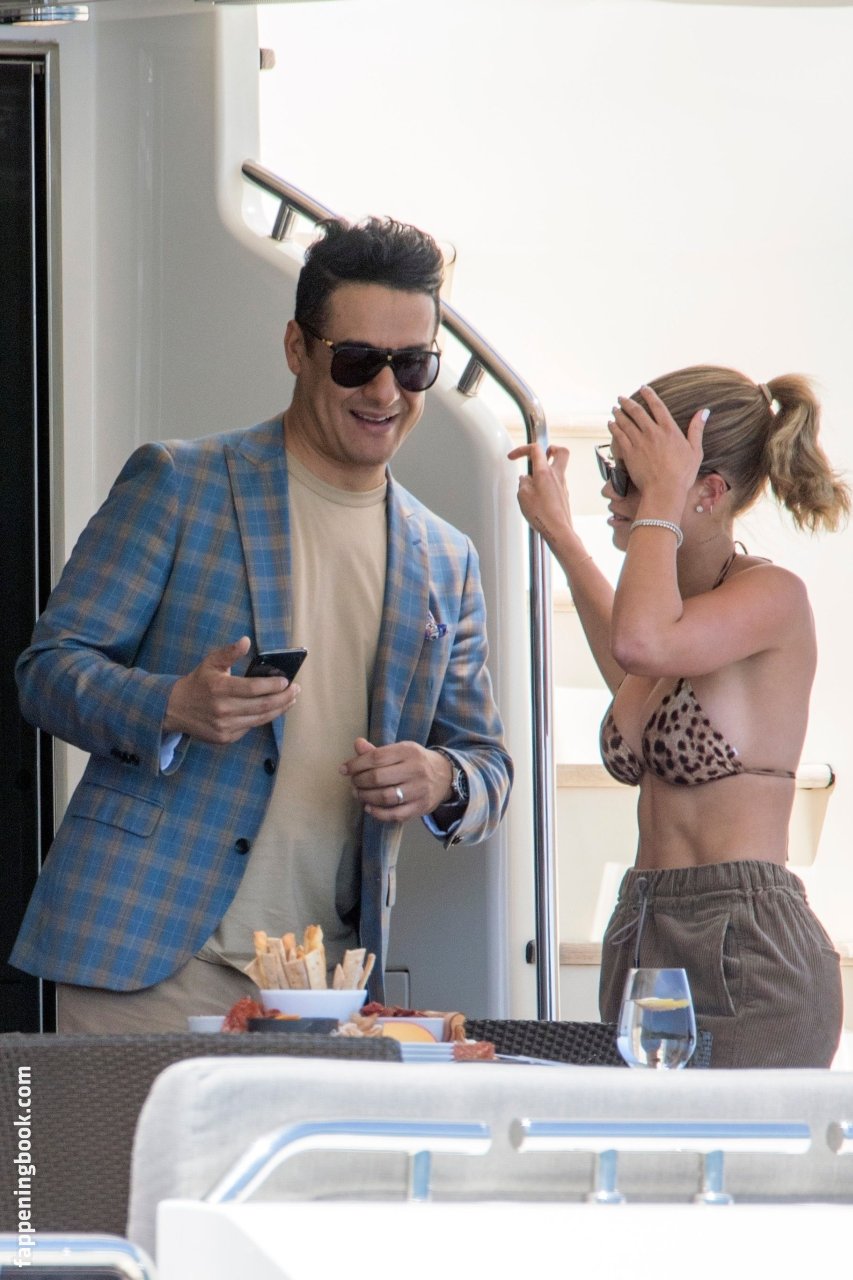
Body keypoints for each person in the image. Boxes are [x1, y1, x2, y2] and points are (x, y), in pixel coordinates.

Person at [11, 215, 513, 1033]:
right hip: (150, 960)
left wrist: (440, 779)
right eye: (356, 361)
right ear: (296, 348)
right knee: (82, 1130)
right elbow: (48, 670)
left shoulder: (445, 557)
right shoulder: (180, 482)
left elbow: (487, 763)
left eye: (412, 365)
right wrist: (170, 705)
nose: (385, 392)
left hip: (320, 981)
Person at [510, 365, 848, 1068]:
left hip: (744, 938)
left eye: (629, 476)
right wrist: (562, 536)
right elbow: (631, 664)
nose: (612, 492)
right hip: (645, 922)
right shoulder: (674, 624)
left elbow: (639, 644)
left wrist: (659, 501)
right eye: (612, 470)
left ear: (708, 491)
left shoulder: (772, 596)